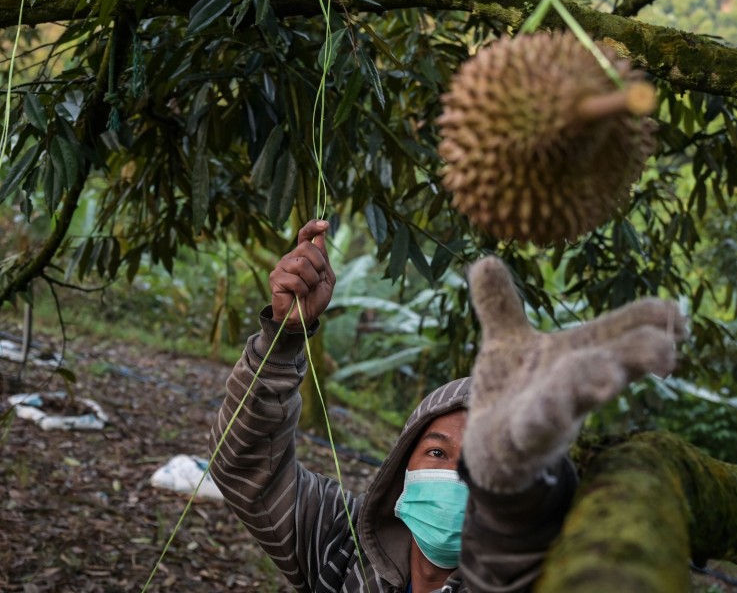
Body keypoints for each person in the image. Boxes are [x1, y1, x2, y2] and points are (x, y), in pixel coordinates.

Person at [210, 219, 684, 593]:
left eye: (479, 460)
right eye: (436, 452)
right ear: (403, 468)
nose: (457, 475)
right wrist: (285, 335)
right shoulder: (341, 544)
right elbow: (246, 465)